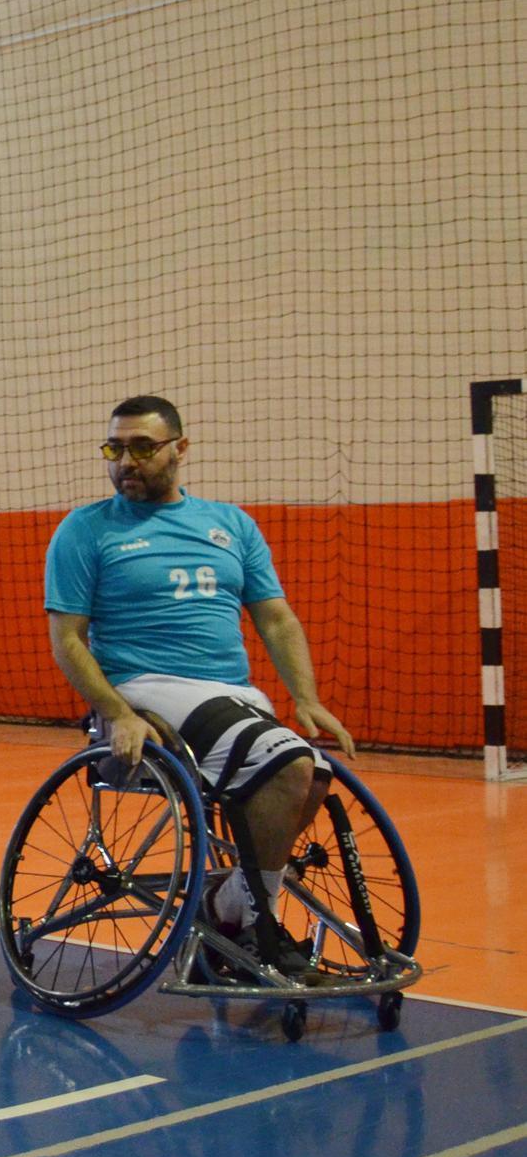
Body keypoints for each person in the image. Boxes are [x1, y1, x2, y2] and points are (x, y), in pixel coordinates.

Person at [44, 394, 356, 976]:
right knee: (288, 765)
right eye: (116, 448)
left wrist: (308, 698)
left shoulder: (231, 524)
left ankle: (229, 908)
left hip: (229, 697)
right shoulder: (85, 531)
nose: (126, 462)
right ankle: (252, 918)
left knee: (313, 774)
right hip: (146, 693)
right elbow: (68, 641)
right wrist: (118, 711)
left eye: (143, 447)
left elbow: (276, 618)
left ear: (180, 448)